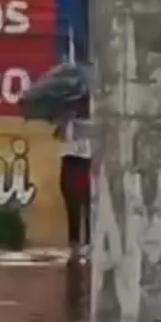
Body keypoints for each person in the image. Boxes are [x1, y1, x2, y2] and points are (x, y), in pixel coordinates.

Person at [55, 96, 91, 258]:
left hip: (86, 162)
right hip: (69, 161)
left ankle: (89, 242)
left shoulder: (93, 119)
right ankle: (74, 243)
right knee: (72, 205)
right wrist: (64, 121)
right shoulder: (67, 118)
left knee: (88, 204)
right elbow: (58, 135)